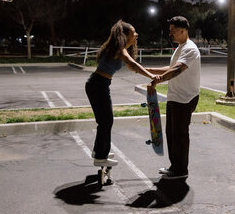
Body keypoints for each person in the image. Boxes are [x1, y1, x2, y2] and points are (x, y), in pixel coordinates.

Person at [86, 19, 159, 167]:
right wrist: (151, 76)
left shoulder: (118, 48)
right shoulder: (119, 49)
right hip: (98, 85)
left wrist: (151, 72)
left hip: (99, 84)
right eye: (133, 32)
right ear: (125, 36)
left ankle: (99, 151)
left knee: (105, 121)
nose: (136, 34)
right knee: (106, 121)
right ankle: (100, 156)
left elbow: (134, 67)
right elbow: (133, 64)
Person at [148, 16, 201, 180]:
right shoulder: (180, 47)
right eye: (169, 31)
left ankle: (181, 170)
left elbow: (178, 69)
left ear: (183, 30)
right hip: (175, 97)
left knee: (180, 136)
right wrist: (149, 70)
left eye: (173, 31)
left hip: (184, 98)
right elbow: (170, 68)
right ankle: (174, 166)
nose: (170, 34)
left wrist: (159, 80)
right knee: (171, 134)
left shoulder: (190, 49)